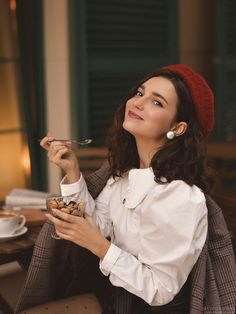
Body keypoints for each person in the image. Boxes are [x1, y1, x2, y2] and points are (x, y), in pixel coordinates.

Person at [15, 65, 236, 314]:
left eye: (157, 102)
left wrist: (99, 246)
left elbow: (161, 289)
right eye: (140, 93)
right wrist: (73, 171)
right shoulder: (124, 176)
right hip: (114, 297)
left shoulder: (179, 196)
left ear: (179, 127)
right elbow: (98, 224)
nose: (138, 103)